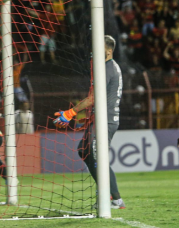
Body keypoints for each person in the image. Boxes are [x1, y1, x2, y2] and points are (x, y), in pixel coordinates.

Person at [53, 35, 125, 209]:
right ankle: (109, 194)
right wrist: (84, 116)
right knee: (84, 150)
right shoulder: (104, 67)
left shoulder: (107, 68)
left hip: (105, 120)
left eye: (98, 48)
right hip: (99, 119)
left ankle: (114, 199)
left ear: (108, 51)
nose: (93, 52)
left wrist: (70, 113)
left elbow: (93, 98)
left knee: (95, 155)